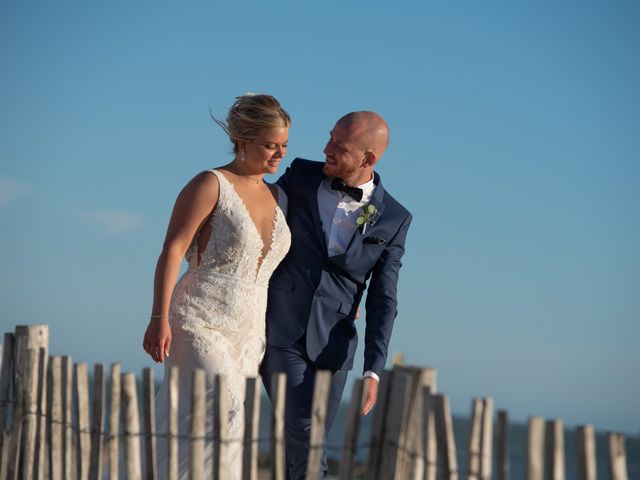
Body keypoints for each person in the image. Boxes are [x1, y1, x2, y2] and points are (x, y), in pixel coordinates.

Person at [142, 93, 291, 479]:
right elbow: (172, 250)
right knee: (228, 409)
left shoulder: (278, 197)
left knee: (213, 429)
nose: (279, 154)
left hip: (248, 334)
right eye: (270, 145)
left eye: (284, 145)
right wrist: (158, 317)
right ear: (243, 141)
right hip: (198, 320)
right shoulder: (211, 183)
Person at [260, 111, 412, 479]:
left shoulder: (395, 218)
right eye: (329, 139)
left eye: (339, 147)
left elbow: (383, 298)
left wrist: (373, 370)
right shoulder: (300, 175)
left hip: (335, 348)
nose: (326, 149)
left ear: (368, 159)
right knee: (306, 440)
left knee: (303, 449)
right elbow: (259, 217)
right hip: (283, 330)